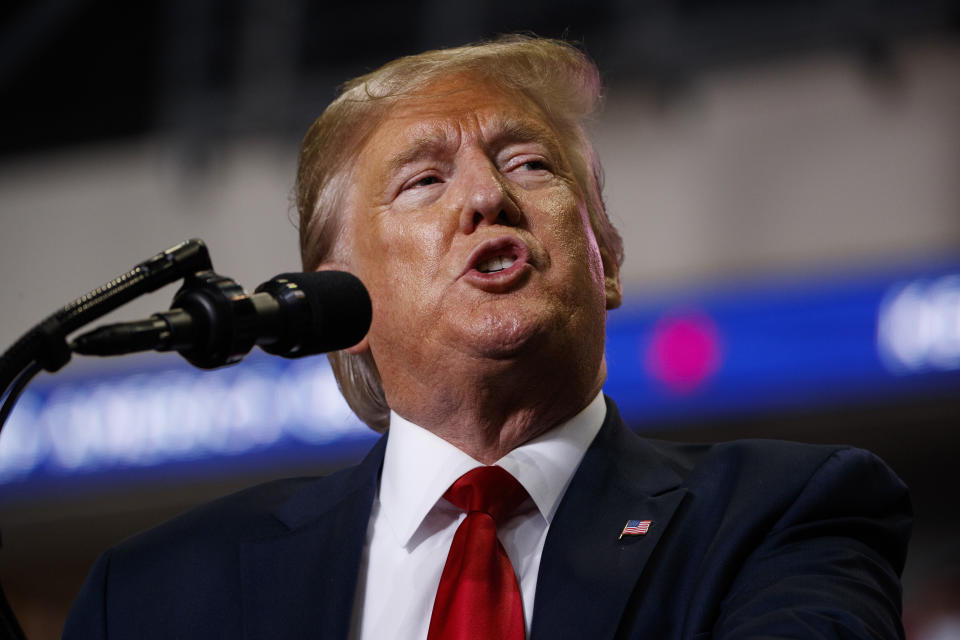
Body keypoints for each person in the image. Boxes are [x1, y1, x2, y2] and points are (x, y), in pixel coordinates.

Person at [63, 36, 911, 639]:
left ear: (604, 262)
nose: (486, 197)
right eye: (425, 179)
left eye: (530, 164)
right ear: (336, 302)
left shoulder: (781, 515)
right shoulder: (154, 593)